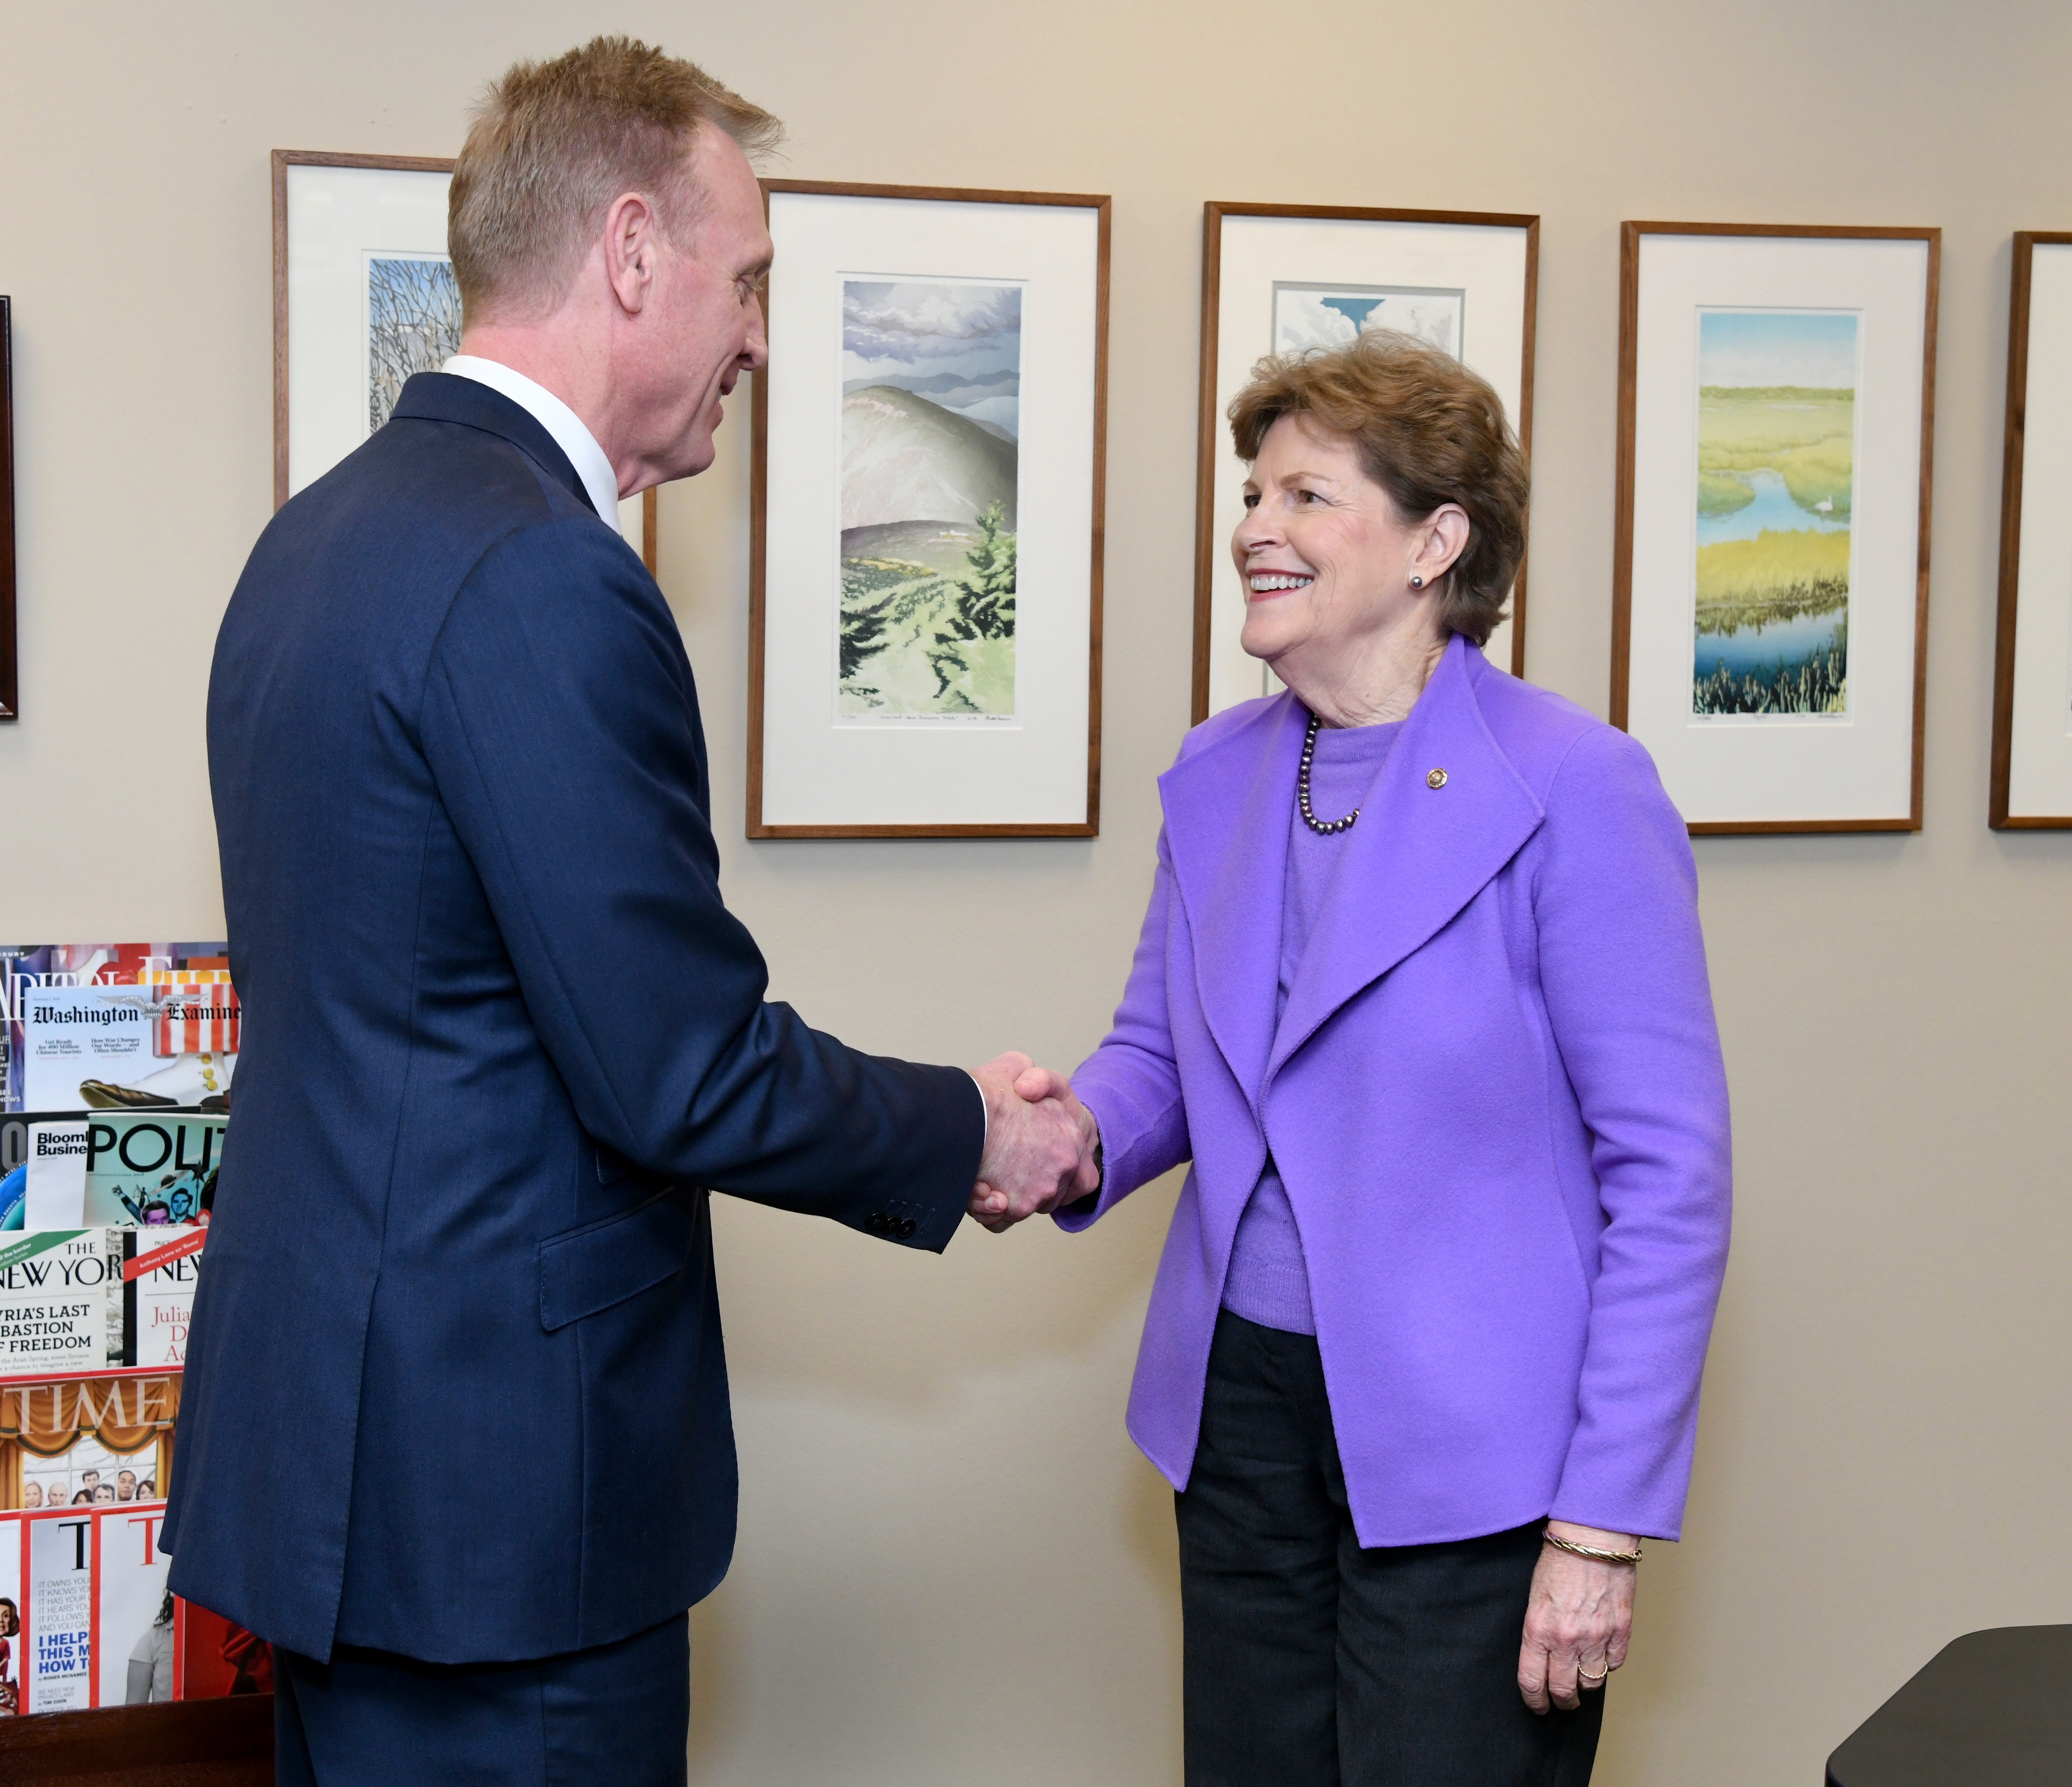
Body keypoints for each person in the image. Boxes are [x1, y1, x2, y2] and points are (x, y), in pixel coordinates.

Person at [163, 37, 1093, 1787]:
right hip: (499, 1520)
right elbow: (675, 1065)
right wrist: (973, 1129)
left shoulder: (314, 540)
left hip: (342, 1489)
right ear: (633, 249)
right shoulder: (540, 573)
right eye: (748, 283)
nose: (758, 334)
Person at [1036, 331, 1731, 1786]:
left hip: (1481, 1454)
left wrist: (1598, 1525)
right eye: (1252, 494)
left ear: (1438, 543)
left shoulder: (1576, 784)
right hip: (1240, 1425)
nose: (1254, 530)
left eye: (1305, 496)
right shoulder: (1220, 771)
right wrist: (1068, 1135)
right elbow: (1163, 1051)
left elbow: (1670, 1178)